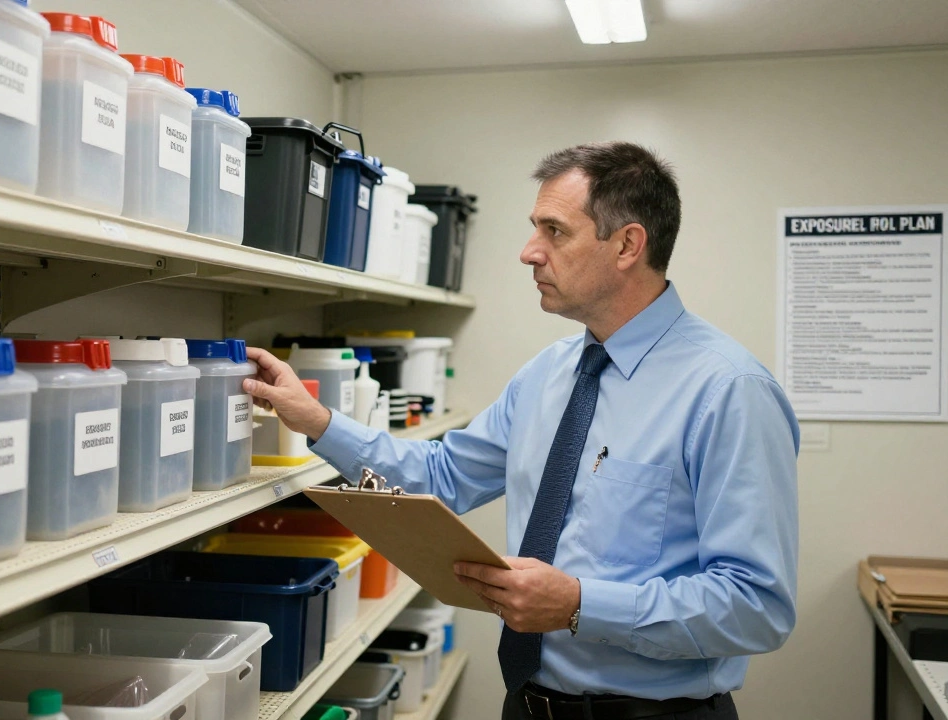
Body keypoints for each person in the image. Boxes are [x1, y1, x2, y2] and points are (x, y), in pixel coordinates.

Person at [243, 141, 799, 720]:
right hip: (527, 705)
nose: (529, 252)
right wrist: (317, 421)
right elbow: (443, 476)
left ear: (628, 245)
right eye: (535, 229)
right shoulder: (548, 374)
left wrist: (581, 604)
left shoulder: (728, 390)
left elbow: (756, 606)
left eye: (554, 231)